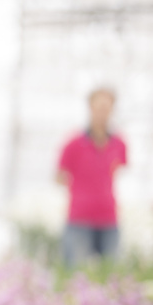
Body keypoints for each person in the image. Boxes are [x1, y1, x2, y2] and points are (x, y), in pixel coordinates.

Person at [56, 88, 128, 266]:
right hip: (79, 218)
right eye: (99, 107)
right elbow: (59, 176)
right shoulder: (72, 143)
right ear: (90, 108)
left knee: (110, 273)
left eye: (107, 108)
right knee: (76, 272)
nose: (103, 113)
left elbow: (120, 170)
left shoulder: (119, 143)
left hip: (109, 218)